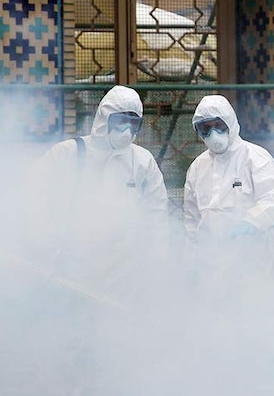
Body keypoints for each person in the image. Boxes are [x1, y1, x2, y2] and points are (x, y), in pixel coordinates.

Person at [29, 84, 171, 395]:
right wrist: (45, 246)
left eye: (134, 123)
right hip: (74, 273)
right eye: (121, 121)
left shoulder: (142, 161)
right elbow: (33, 196)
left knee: (119, 346)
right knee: (73, 345)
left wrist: (157, 265)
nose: (127, 130)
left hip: (124, 276)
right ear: (103, 118)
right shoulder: (70, 154)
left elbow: (157, 217)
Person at [182, 94, 274, 396]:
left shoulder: (256, 158)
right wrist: (192, 255)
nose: (213, 134)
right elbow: (191, 217)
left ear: (230, 123)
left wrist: (248, 224)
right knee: (216, 326)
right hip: (213, 263)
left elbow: (273, 200)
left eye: (218, 126)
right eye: (205, 129)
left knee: (256, 323)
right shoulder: (197, 168)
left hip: (252, 260)